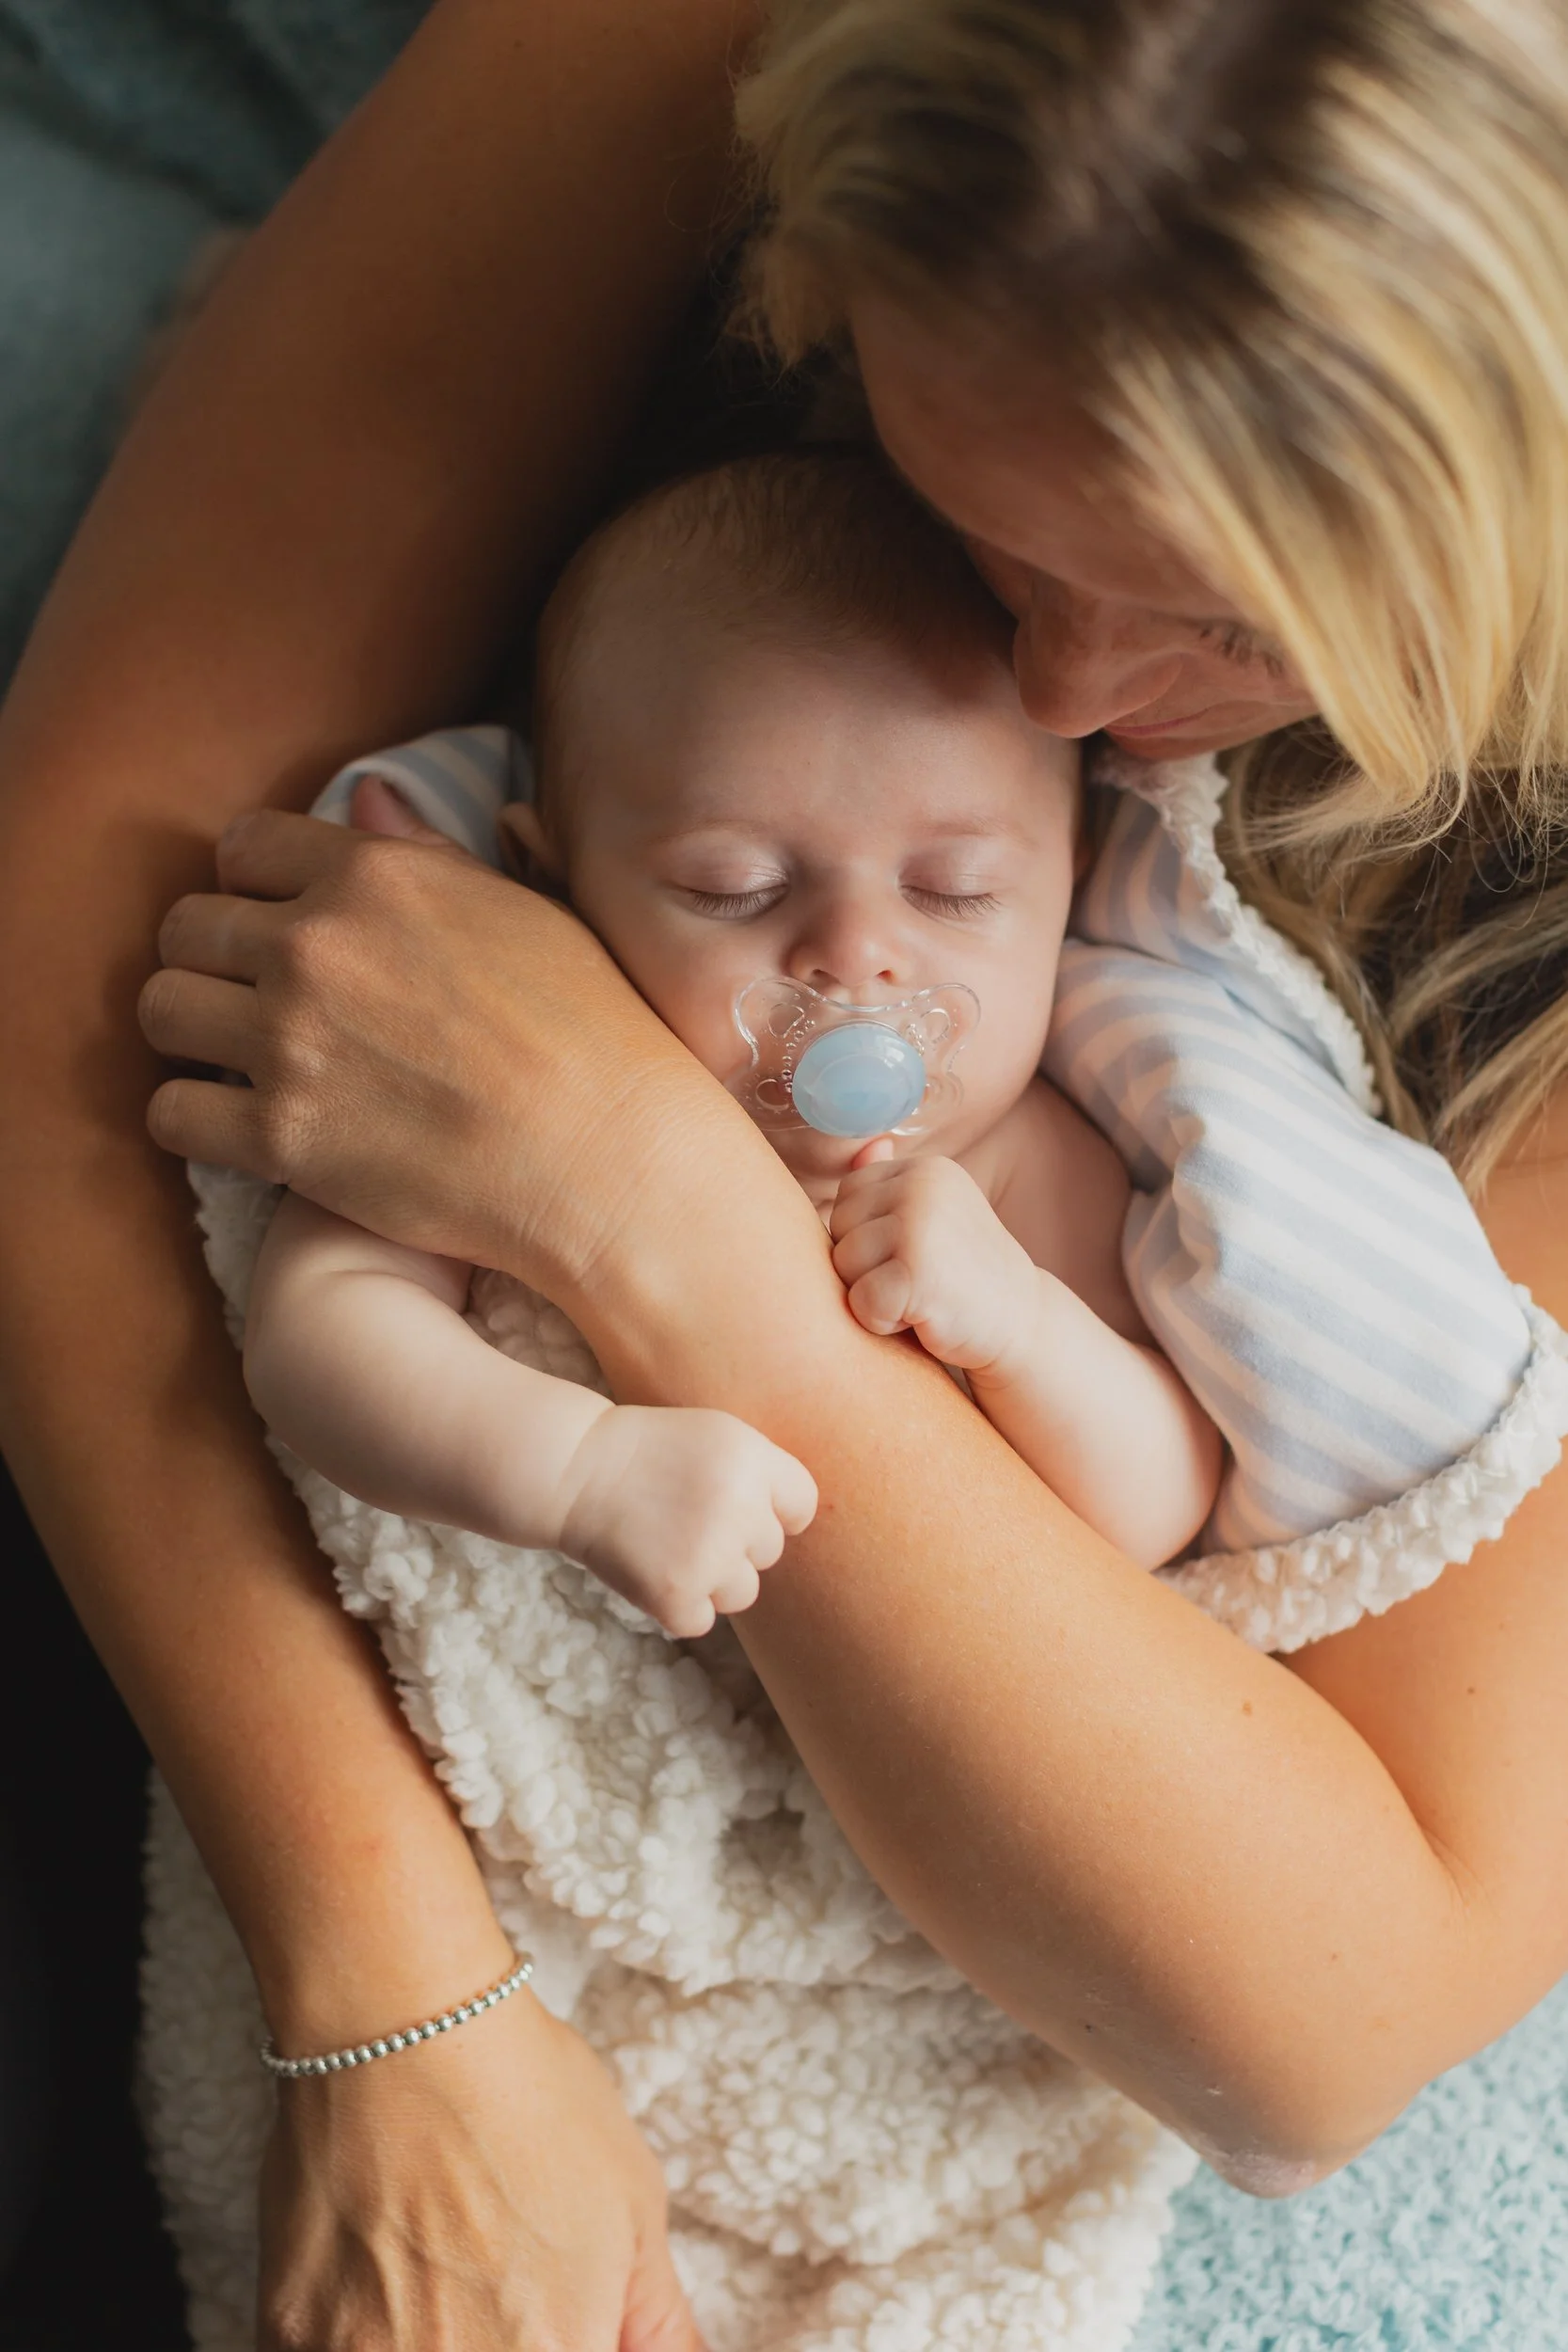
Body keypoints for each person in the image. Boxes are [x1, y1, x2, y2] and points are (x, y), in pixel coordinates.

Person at [2, 6, 1567, 2350]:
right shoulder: (692, 56)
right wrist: (393, 1986)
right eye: (978, 523)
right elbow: (76, 956)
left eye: (1236, 621)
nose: (1060, 709)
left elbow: (1333, 2004)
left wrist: (651, 1214)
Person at [246, 452, 1222, 1626]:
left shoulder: (1014, 1163)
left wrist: (1021, 1327)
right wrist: (574, 1472)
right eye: (735, 886)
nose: (858, 955)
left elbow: (1162, 1501)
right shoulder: (486, 1089)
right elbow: (318, 1332)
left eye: (954, 890)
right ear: (546, 885)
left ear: (1069, 887)